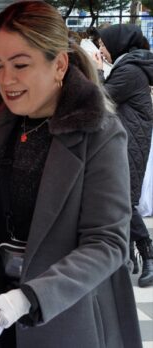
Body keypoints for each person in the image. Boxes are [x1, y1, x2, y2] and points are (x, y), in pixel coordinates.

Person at [0, 2, 141, 347]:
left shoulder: (98, 133)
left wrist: (28, 298)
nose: (6, 80)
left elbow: (107, 242)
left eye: (20, 66)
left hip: (66, 313)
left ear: (59, 64)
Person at [97, 24, 153, 288]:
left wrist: (96, 71)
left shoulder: (129, 70)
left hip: (129, 142)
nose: (100, 50)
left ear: (117, 44)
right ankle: (127, 257)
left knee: (122, 201)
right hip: (129, 139)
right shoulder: (129, 66)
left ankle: (148, 252)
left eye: (103, 45)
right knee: (123, 198)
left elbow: (101, 98)